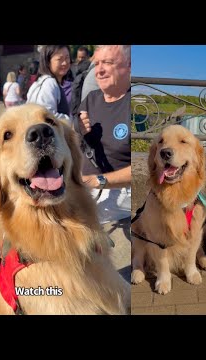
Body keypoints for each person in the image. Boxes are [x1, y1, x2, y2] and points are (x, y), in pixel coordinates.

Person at [77, 45, 131, 278]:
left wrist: (98, 180)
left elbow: (141, 168)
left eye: (107, 62)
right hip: (85, 184)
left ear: (129, 67)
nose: (99, 70)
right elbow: (79, 143)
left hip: (118, 193)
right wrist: (82, 132)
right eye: (96, 64)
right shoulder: (91, 99)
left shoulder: (135, 105)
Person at [26, 45, 72, 125]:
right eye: (59, 59)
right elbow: (45, 116)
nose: (64, 63)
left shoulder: (44, 81)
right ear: (48, 62)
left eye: (67, 58)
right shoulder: (48, 83)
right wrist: (71, 121)